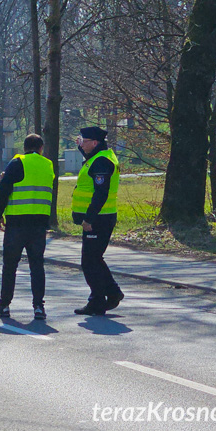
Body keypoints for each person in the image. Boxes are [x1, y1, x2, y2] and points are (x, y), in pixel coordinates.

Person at [0, 134, 54, 320]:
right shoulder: (48, 165)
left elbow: (4, 189)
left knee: (10, 266)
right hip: (39, 225)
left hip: (17, 224)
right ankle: (38, 307)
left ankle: (4, 305)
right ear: (41, 148)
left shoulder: (17, 162)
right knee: (37, 266)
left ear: (25, 148)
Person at [72, 126, 125, 316]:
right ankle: (111, 293)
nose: (81, 143)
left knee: (89, 261)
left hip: (98, 219)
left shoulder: (101, 161)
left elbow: (101, 194)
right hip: (101, 217)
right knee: (94, 259)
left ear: (94, 143)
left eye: (83, 141)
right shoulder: (99, 157)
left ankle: (98, 300)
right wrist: (81, 146)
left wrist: (89, 218)